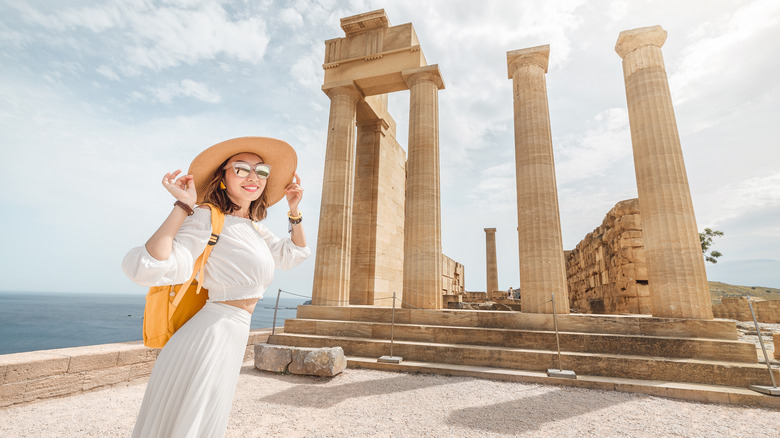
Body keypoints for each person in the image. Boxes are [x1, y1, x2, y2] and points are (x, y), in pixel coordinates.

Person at [122, 136, 311, 437]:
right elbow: (150, 266)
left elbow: (292, 255)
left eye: (261, 171)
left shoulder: (254, 228)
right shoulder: (208, 217)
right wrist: (183, 206)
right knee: (195, 421)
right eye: (240, 168)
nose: (253, 177)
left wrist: (294, 211)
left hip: (230, 335)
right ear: (222, 176)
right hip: (210, 336)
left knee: (204, 419)